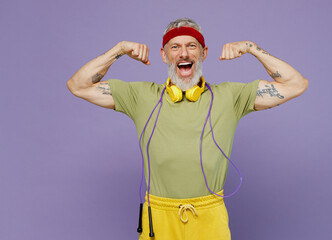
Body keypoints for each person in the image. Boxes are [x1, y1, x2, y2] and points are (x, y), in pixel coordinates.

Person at [67, 18, 308, 240]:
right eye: (175, 47)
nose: (184, 52)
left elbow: (296, 84)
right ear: (164, 55)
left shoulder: (230, 96)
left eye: (192, 46)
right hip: (159, 219)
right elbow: (78, 85)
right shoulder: (139, 95)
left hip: (210, 218)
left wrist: (252, 48)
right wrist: (118, 50)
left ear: (203, 53)